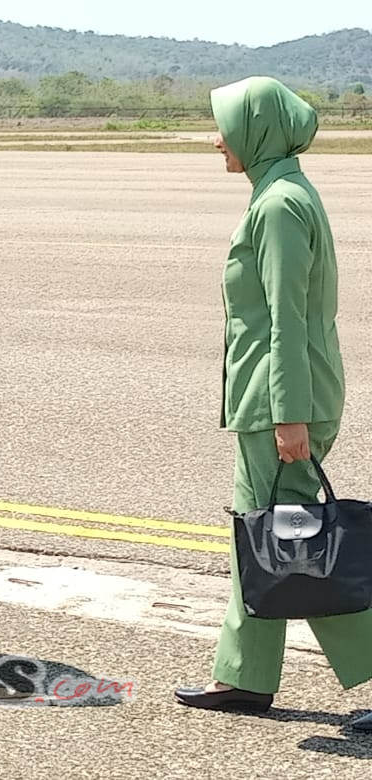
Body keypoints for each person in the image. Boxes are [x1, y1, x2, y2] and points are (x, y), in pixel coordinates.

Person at [174, 77, 372, 730]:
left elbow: (287, 317)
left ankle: (248, 675)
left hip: (288, 400)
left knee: (298, 551)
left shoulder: (280, 204)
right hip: (274, 398)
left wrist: (289, 414)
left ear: (257, 130)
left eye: (226, 126)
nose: (216, 141)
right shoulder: (278, 193)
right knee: (263, 540)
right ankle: (244, 675)